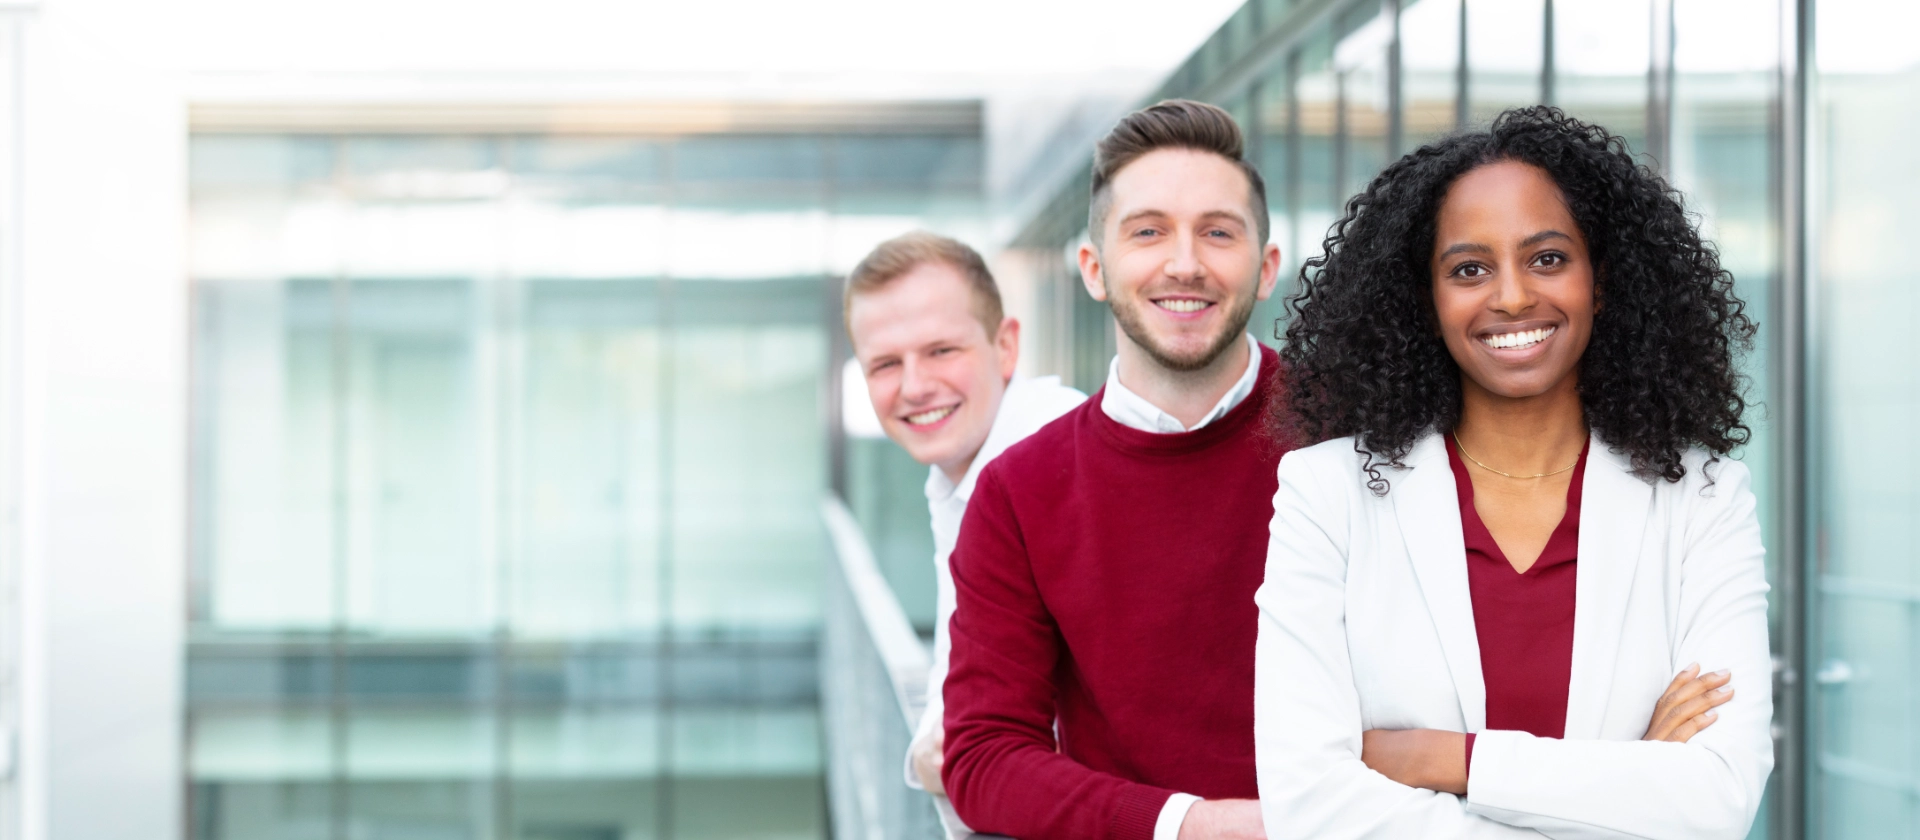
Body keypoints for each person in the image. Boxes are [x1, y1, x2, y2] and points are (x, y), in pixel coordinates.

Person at [1253, 106, 1771, 839]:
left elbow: (1715, 799)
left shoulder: (1704, 499)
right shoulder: (1327, 494)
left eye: (1548, 258)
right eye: (1469, 269)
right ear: (1424, 301)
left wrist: (1449, 758)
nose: (1513, 296)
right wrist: (1625, 783)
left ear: (1603, 280)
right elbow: (1308, 803)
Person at [942, 99, 1286, 840]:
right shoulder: (1017, 493)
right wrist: (1190, 825)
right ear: (1095, 269)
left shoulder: (1362, 434)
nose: (1185, 262)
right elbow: (984, 756)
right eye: (1148, 231)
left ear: (1265, 269)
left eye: (1217, 232)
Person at [842, 231, 1086, 829]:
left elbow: (990, 746)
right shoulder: (958, 479)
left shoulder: (1057, 462)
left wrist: (941, 749)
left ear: (1005, 348)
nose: (915, 386)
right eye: (885, 364)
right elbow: (958, 701)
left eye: (941, 351)